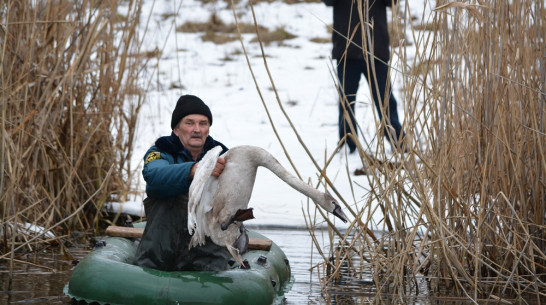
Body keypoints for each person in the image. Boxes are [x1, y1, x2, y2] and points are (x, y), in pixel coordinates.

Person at [133, 94, 231, 271]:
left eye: (203, 123)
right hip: (159, 253)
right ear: (176, 129)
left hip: (209, 257)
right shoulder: (160, 152)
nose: (197, 129)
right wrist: (195, 170)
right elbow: (155, 178)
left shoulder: (224, 157)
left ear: (208, 128)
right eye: (189, 123)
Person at [322, 0, 405, 153]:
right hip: (347, 54)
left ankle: (397, 140)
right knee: (346, 100)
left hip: (376, 53)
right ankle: (348, 141)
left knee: (385, 99)